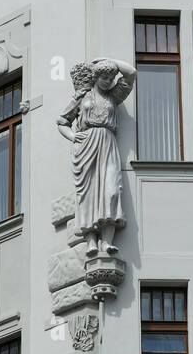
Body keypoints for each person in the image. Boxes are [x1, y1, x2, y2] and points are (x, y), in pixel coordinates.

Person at [56, 59, 136, 256]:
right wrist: (73, 137)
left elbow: (131, 73)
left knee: (112, 192)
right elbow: (62, 121)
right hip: (86, 146)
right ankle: (91, 241)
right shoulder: (82, 96)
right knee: (88, 195)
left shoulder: (114, 96)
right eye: (103, 77)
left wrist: (107, 60)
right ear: (95, 77)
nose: (108, 82)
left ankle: (107, 241)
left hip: (108, 144)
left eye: (110, 78)